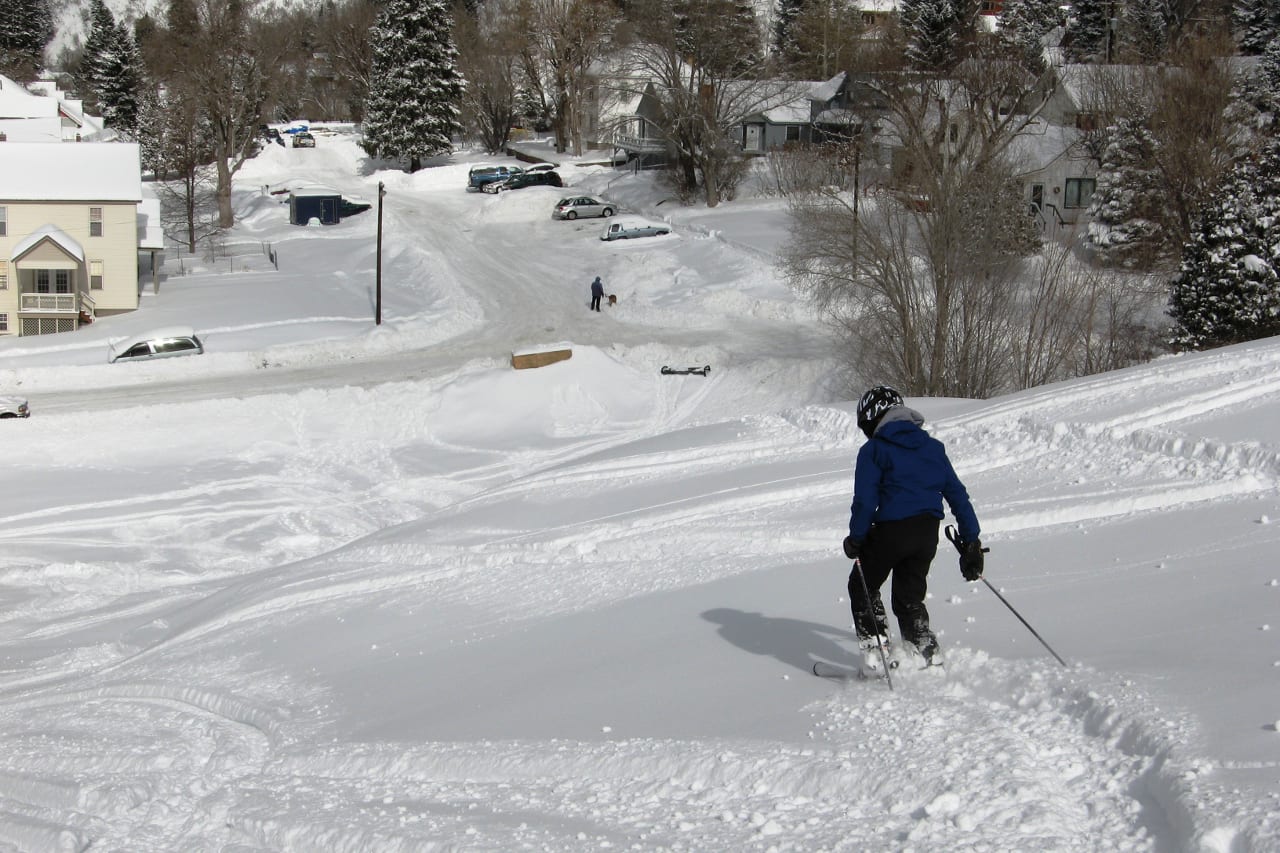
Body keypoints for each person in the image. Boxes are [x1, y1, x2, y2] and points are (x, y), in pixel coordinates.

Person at [841, 385, 984, 665]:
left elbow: (865, 501)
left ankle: (878, 655)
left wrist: (856, 537)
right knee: (909, 599)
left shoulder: (874, 450)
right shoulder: (932, 448)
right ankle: (925, 653)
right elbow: (957, 495)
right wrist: (971, 542)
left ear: (873, 418)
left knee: (862, 586)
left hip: (890, 533)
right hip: (926, 536)